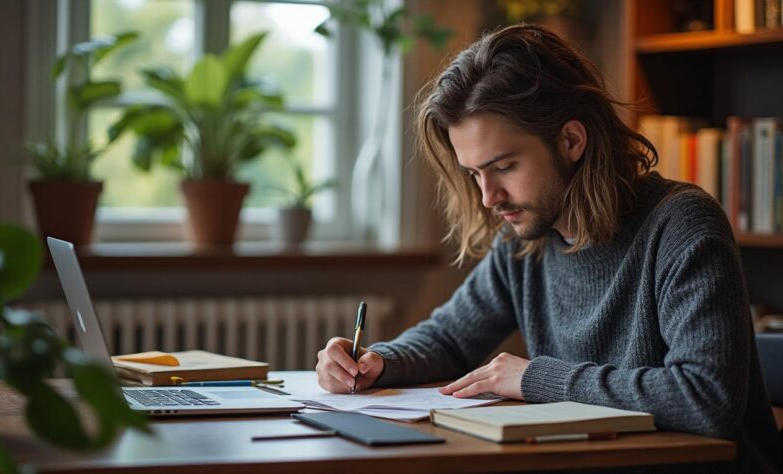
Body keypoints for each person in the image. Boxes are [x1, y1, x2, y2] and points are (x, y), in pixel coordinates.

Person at [315, 25, 781, 472]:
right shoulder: (525, 244)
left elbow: (706, 399)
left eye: (504, 166)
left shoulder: (681, 225)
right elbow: (449, 339)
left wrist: (535, 378)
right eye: (475, 173)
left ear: (571, 140)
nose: (487, 197)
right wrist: (376, 362)